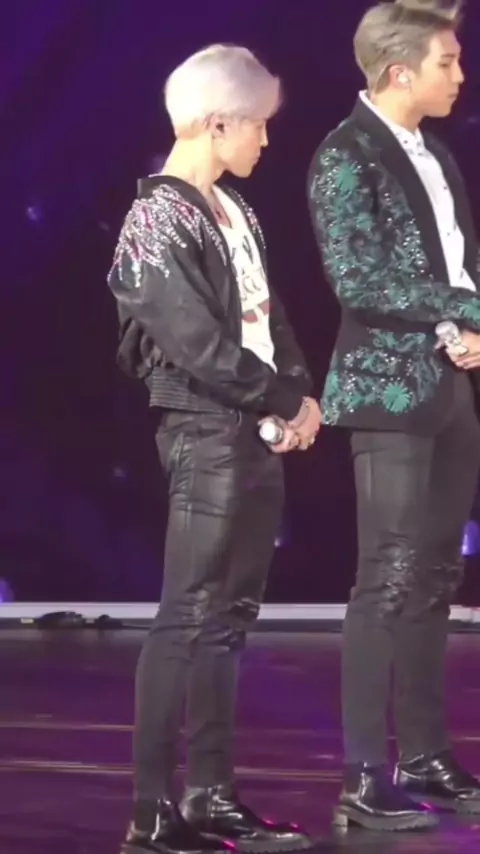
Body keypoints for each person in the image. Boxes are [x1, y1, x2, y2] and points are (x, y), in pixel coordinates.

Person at [108, 44, 321, 854]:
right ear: (217, 122)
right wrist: (279, 398)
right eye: (257, 125)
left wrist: (298, 394)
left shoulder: (236, 211)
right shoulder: (155, 221)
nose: (264, 140)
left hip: (250, 429)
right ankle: (152, 810)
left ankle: (211, 794)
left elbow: (270, 316)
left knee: (229, 618)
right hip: (204, 430)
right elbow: (194, 342)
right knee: (189, 614)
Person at [307, 0, 480, 834]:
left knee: (437, 576)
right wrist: (470, 310)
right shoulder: (345, 154)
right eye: (448, 61)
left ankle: (425, 752)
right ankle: (364, 773)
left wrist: (469, 327)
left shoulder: (436, 154)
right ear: (400, 71)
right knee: (388, 575)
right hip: (387, 390)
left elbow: (457, 264)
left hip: (449, 386)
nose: (461, 75)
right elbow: (360, 281)